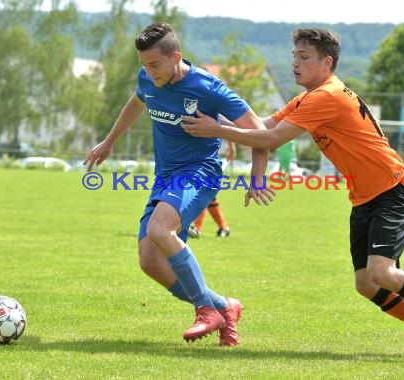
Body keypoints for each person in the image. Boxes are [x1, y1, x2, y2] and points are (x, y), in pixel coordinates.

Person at [182, 28, 404, 363]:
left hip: (392, 189)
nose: (295, 63)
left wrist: (217, 130)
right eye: (294, 56)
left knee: (383, 273)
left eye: (304, 57)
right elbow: (260, 127)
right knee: (366, 283)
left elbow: (271, 139)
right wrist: (218, 120)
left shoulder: (326, 97)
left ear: (327, 62)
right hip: (364, 197)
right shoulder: (309, 97)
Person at [84, 22, 273, 346]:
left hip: (201, 171)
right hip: (166, 178)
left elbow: (262, 135)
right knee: (150, 261)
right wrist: (109, 141)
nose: (150, 72)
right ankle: (224, 307)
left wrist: (256, 176)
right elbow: (138, 101)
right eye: (144, 65)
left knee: (160, 231)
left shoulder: (208, 88)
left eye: (155, 64)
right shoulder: (148, 78)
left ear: (177, 57)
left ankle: (205, 310)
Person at [189, 139, 235, 238]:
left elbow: (227, 125)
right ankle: (223, 228)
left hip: (210, 160)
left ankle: (197, 228)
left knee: (203, 192)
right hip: (198, 158)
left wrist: (232, 148)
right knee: (208, 195)